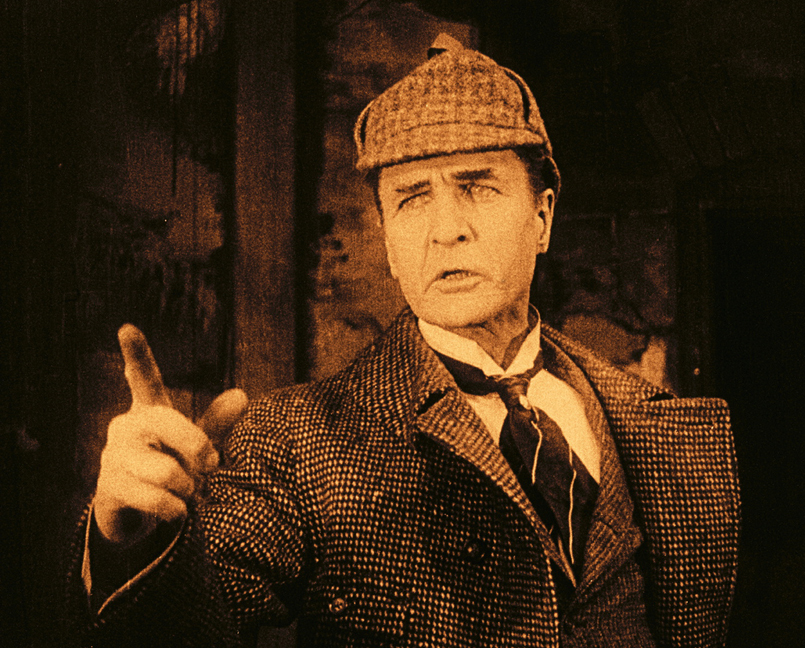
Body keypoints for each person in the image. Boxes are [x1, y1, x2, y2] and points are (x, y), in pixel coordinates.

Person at [67, 34, 740, 647]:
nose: (447, 229)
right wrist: (130, 543)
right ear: (388, 240)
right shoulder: (301, 439)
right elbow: (193, 624)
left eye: (477, 187)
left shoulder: (652, 423)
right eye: (413, 197)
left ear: (542, 217)